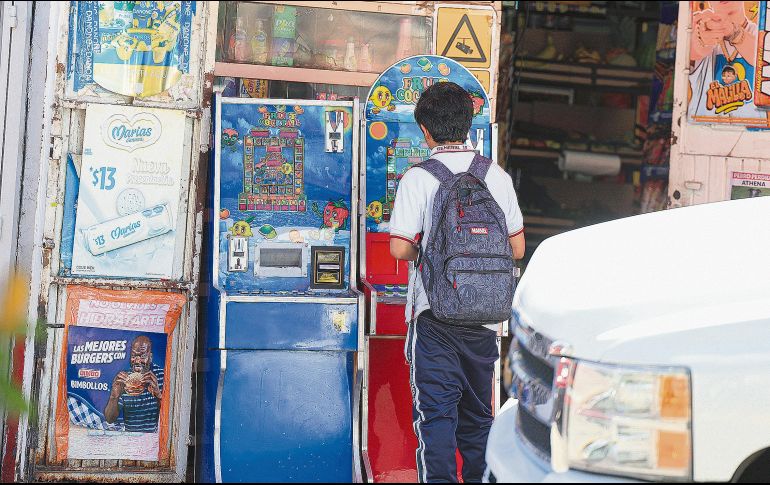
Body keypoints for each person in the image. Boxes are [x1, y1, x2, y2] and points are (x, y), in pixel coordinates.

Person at [389, 82, 525, 483]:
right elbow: (517, 248)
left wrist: (427, 257)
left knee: (436, 420)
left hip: (435, 318)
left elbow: (398, 248)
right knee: (478, 419)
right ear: (468, 124)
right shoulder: (494, 175)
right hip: (484, 321)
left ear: (426, 131)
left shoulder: (419, 177)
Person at [688, 1, 760, 120]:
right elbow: (693, 52)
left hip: (753, 133)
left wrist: (734, 32)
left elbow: (763, 63)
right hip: (703, 133)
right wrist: (701, 41)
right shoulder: (699, 29)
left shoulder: (761, 36)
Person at [104, 335, 164, 433]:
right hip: (130, 439)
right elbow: (110, 419)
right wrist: (114, 396)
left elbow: (171, 417)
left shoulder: (162, 376)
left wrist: (158, 395)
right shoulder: (124, 379)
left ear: (151, 357)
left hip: (154, 439)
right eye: (133, 356)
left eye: (142, 356)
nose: (137, 361)